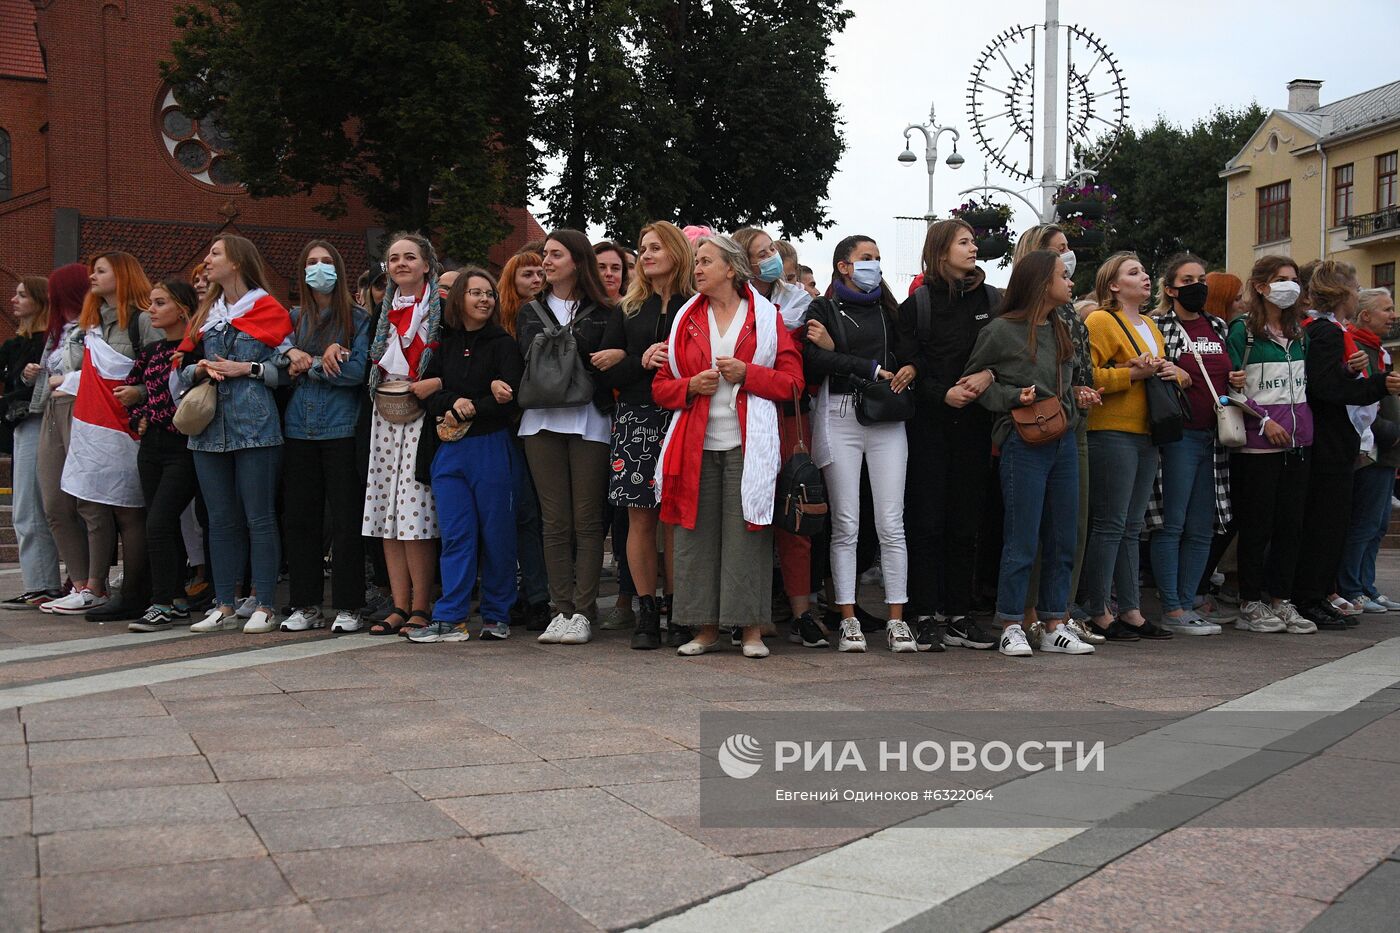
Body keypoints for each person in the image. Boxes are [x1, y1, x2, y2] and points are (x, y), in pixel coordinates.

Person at [652, 234, 804, 658]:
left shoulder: (767, 317)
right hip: (695, 443)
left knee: (746, 534)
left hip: (748, 443)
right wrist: (689, 386)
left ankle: (751, 630)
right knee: (695, 534)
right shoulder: (686, 318)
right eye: (696, 262)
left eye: (705, 261)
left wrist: (748, 373)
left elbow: (794, 383)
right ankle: (704, 630)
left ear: (731, 269)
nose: (696, 269)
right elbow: (661, 388)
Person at [963, 249, 1096, 656]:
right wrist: (1011, 397)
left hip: (1064, 439)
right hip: (1022, 442)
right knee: (1022, 538)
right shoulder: (1001, 331)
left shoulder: (1062, 328)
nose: (1070, 281)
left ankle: (1056, 621)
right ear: (1041, 282)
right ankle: (1010, 622)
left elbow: (1066, 380)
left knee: (1063, 536)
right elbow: (973, 383)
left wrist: (1076, 397)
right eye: (1063, 275)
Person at [802, 235, 916, 652]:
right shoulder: (823, 308)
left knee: (891, 521)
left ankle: (896, 618)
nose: (875, 265)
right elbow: (815, 360)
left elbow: (910, 355)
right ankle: (847, 616)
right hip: (838, 416)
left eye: (878, 258)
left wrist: (906, 368)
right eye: (866, 258)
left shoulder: (891, 311)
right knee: (846, 521)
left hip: (886, 417)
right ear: (843, 266)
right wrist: (869, 366)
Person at [897, 219, 1002, 651]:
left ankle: (960, 614)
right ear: (941, 251)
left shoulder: (994, 300)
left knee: (965, 523)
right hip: (928, 427)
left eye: (974, 241)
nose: (973, 248)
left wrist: (988, 376)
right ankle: (924, 615)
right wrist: (944, 394)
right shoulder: (917, 305)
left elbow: (1012, 353)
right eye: (963, 242)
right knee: (925, 523)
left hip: (976, 426)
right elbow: (908, 365)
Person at [180, 235, 294, 634]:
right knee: (219, 519)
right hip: (209, 427)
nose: (207, 260)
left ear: (237, 262)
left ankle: (264, 603)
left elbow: (287, 369)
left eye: (214, 253)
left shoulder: (269, 308)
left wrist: (247, 369)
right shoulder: (207, 313)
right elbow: (180, 368)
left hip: (255, 425)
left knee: (259, 517)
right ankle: (224, 603)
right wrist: (198, 370)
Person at [408, 270, 525, 642]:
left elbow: (511, 398)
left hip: (491, 446)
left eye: (489, 293)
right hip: (449, 451)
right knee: (457, 535)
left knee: (497, 534)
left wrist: (469, 402)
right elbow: (427, 395)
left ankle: (496, 614)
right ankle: (450, 617)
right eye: (475, 292)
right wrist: (451, 398)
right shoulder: (444, 345)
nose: (484, 299)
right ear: (459, 299)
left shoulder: (503, 344)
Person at [596, 221, 695, 649]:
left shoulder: (698, 305)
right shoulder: (628, 308)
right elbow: (604, 370)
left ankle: (679, 610)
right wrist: (640, 359)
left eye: (656, 247)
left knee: (676, 517)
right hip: (637, 416)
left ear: (676, 251)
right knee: (640, 517)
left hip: (686, 415)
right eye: (643, 248)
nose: (648, 254)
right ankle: (646, 611)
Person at [517, 229, 615, 645]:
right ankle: (561, 609)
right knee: (554, 520)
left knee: (588, 520)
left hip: (590, 419)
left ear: (576, 260)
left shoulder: (605, 310)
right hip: (540, 420)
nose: (546, 261)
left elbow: (603, 364)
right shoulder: (528, 311)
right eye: (544, 254)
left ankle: (585, 610)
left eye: (555, 254)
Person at [1009, 224, 1102, 648]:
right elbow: (991, 373)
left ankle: (1058, 615)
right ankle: (1024, 616)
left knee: (1071, 525)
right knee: (1028, 530)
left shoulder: (1069, 316)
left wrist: (1084, 389)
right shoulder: (1014, 321)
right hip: (1032, 431)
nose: (1069, 260)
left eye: (1068, 250)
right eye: (1059, 252)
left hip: (1074, 426)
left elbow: (1082, 368)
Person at [54, 252, 160, 622]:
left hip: (131, 430)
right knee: (102, 506)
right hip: (97, 431)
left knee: (130, 512)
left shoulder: (144, 321)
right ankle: (106, 586)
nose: (92, 277)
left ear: (123, 275)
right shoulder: (95, 324)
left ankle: (134, 591)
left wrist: (142, 395)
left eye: (101, 271)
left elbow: (163, 370)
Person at [1292, 261, 1397, 627]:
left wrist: (1354, 374)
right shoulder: (1326, 332)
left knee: (1333, 523)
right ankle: (1310, 596)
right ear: (1342, 293)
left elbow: (1329, 380)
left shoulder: (1329, 331)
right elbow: (1326, 389)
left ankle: (1319, 593)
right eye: (1355, 288)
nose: (1356, 294)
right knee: (1325, 522)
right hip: (1328, 440)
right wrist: (1377, 384)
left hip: (1334, 437)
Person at [1082, 252, 1179, 641]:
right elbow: (1087, 375)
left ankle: (1131, 609)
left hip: (1146, 432)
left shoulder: (1152, 326)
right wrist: (1132, 373)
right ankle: (1098, 609)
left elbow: (1159, 372)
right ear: (1113, 285)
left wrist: (1174, 372)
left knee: (1132, 526)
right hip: (1111, 430)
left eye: (1144, 270)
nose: (1145, 277)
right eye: (1133, 272)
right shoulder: (1101, 320)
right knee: (1109, 524)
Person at [730, 227, 816, 641]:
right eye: (760, 253)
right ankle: (751, 612)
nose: (771, 258)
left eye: (772, 250)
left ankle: (801, 611)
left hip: (787, 421)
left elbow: (795, 378)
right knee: (752, 518)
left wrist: (750, 374)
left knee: (793, 513)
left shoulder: (798, 303)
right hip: (740, 422)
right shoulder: (729, 308)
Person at [281, 241, 371, 634]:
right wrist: (302, 360)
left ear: (339, 268)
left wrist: (308, 362)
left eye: (327, 262)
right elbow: (276, 366)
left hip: (341, 428)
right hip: (298, 429)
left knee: (347, 519)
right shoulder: (292, 318)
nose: (319, 268)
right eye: (312, 262)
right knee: (301, 519)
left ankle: (349, 604)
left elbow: (355, 374)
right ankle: (306, 603)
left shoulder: (358, 319)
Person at [1226, 256, 1318, 633]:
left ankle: (1281, 599)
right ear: (1261, 286)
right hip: (1258, 446)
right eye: (1281, 279)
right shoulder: (1242, 333)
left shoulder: (1299, 333)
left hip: (1298, 442)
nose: (1290, 286)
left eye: (1294, 279)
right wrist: (1262, 420)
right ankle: (1250, 601)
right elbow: (1231, 388)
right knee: (1257, 525)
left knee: (1290, 525)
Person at [1145, 253, 1232, 636]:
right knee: (1172, 523)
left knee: (1202, 526)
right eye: (1188, 279)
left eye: (1201, 278)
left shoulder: (1217, 326)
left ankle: (1188, 600)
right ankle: (1172, 607)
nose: (1198, 286)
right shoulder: (1158, 325)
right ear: (1170, 288)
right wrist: (1172, 370)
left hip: (1215, 436)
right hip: (1179, 436)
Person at [362, 232, 443, 636]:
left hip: (421, 411)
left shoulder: (439, 308)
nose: (401, 264)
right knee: (385, 512)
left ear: (426, 265)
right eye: (393, 258)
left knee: (415, 510)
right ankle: (397, 603)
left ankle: (421, 605)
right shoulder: (384, 310)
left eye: (410, 257)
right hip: (386, 409)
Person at [124, 278, 199, 632]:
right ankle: (176, 597)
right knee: (160, 521)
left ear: (182, 309)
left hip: (184, 447)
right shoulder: (151, 353)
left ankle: (161, 602)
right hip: (151, 446)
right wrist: (136, 417)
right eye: (151, 303)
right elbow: (133, 390)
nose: (151, 310)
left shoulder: (195, 351)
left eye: (160, 303)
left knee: (159, 521)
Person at [495, 250, 550, 629]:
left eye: (540, 273)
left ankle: (538, 596)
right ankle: (517, 593)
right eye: (526, 274)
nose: (535, 279)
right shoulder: (501, 323)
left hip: (537, 422)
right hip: (506, 426)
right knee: (513, 513)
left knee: (533, 514)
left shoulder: (549, 315)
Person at [32, 264, 91, 612]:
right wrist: (35, 378)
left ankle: (92, 583)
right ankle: (79, 580)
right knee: (53, 502)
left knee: (86, 502)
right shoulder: (56, 332)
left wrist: (62, 379)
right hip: (51, 412)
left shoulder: (91, 328)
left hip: (80, 408)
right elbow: (46, 377)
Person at [0, 275, 62, 606]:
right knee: (28, 506)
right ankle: (39, 581)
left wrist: (26, 380)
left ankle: (43, 584)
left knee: (30, 506)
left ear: (39, 301)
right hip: (22, 426)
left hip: (38, 423)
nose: (14, 299)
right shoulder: (15, 344)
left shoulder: (47, 343)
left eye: (22, 295)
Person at [1338, 287, 1400, 613]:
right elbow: (1360, 402)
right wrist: (1389, 433)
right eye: (1386, 309)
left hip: (1388, 451)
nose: (1393, 315)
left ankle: (1367, 585)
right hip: (1372, 449)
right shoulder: (1356, 348)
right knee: (1363, 523)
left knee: (1377, 526)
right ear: (1365, 315)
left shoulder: (1379, 351)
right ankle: (1352, 587)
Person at [594, 239, 638, 630]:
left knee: (628, 513)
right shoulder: (583, 311)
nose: (611, 274)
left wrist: (626, 356)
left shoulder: (632, 309)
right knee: (596, 515)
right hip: (593, 419)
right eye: (604, 267)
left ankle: (627, 596)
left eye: (618, 268)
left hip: (629, 420)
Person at [500, 251, 546, 338]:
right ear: (512, 281)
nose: (537, 280)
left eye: (541, 274)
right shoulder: (496, 315)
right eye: (528, 275)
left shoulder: (554, 310)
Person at [595, 241, 630, 306]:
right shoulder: (577, 306)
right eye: (601, 267)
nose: (609, 273)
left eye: (615, 268)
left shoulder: (635, 309)